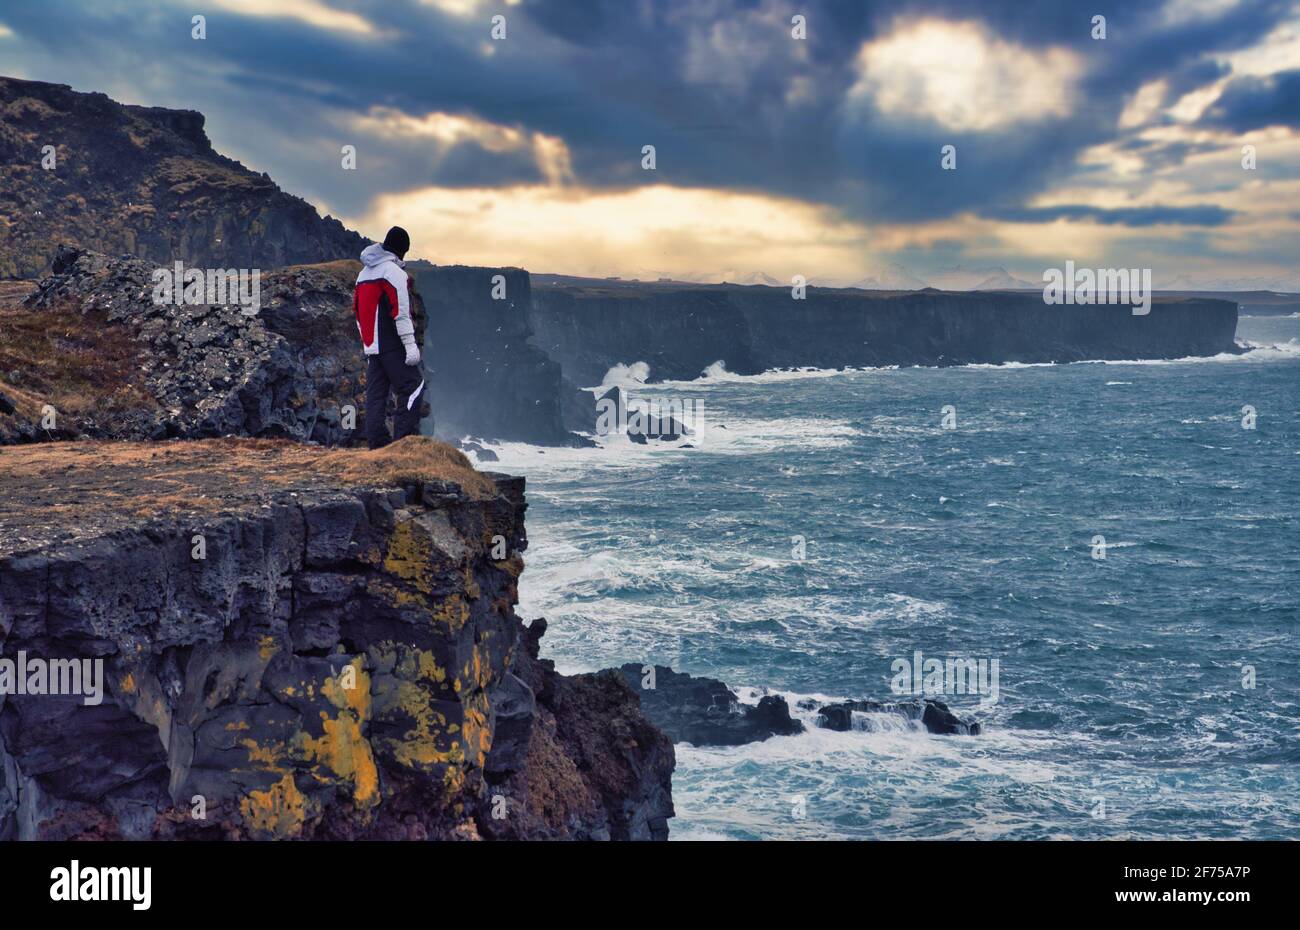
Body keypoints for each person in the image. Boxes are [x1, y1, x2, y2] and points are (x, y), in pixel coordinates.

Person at [353, 226, 424, 449]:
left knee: (376, 396)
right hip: (392, 344)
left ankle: (377, 444)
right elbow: (400, 313)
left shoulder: (363, 274)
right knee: (413, 386)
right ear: (401, 250)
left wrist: (368, 342)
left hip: (373, 346)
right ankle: (402, 445)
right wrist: (410, 346)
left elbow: (357, 312)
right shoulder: (394, 273)